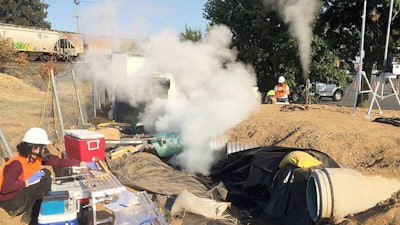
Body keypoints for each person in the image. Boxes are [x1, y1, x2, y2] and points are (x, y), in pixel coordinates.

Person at [0, 127, 98, 225]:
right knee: (45, 177)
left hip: (19, 195)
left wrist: (83, 163)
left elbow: (59, 161)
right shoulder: (17, 164)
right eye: (43, 147)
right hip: (12, 203)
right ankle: (33, 217)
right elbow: (5, 189)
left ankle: (30, 215)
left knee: (44, 175)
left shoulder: (34, 158)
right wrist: (27, 182)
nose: (45, 150)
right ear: (34, 148)